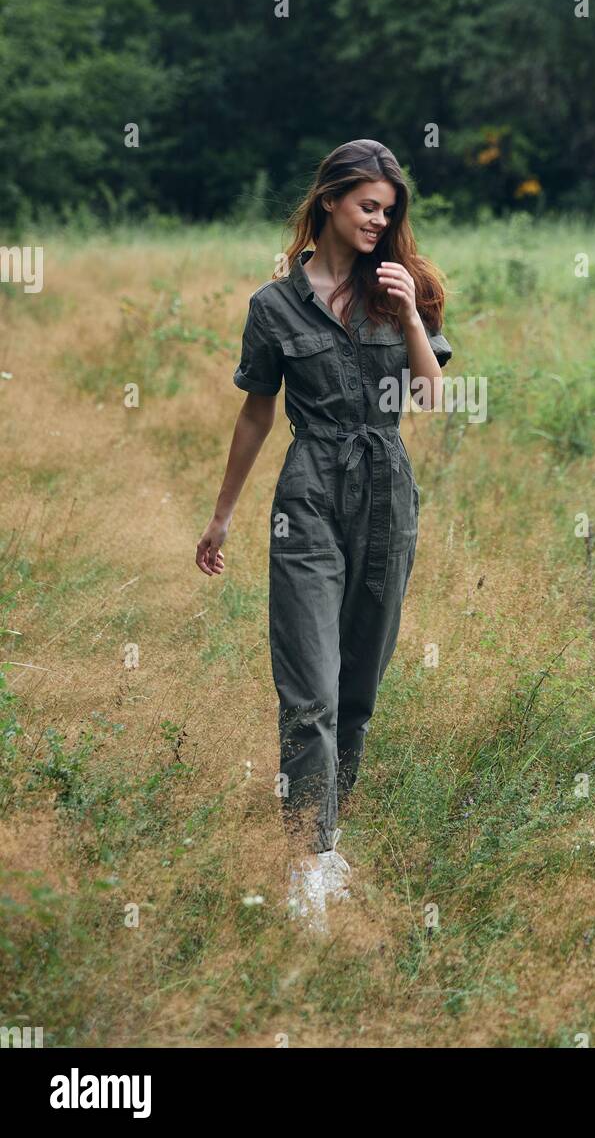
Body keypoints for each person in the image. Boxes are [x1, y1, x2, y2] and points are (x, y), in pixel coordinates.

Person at [195, 139, 452, 931]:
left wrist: (409, 313)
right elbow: (256, 412)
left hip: (387, 491)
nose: (381, 220)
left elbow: (433, 397)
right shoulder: (273, 306)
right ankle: (308, 862)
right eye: (368, 205)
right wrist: (223, 514)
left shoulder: (407, 289)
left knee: (359, 688)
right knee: (309, 686)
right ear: (332, 200)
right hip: (307, 494)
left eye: (389, 209)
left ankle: (329, 843)